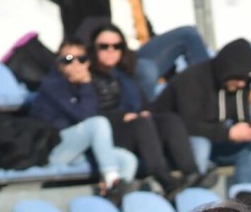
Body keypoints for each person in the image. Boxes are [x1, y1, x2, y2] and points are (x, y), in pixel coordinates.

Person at [34, 0, 210, 98]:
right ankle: (143, 119)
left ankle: (210, 95)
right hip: (105, 56)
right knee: (145, 69)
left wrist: (166, 56)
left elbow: (143, 26)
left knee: (188, 33)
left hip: (137, 51)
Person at [86, 22, 203, 196]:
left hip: (137, 127)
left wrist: (146, 112)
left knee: (168, 119)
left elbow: (143, 105)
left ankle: (192, 173)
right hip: (111, 133)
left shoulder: (126, 76)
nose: (111, 50)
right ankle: (163, 178)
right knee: (142, 123)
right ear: (94, 49)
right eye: (104, 46)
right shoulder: (86, 75)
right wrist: (123, 117)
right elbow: (87, 114)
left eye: (116, 46)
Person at [26, 37, 137, 201]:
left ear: (88, 63)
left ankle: (115, 198)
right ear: (59, 63)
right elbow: (84, 116)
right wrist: (86, 83)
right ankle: (112, 179)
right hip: (53, 149)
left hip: (78, 150)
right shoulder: (53, 86)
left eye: (82, 59)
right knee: (98, 124)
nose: (76, 64)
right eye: (68, 59)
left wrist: (85, 85)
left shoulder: (86, 86)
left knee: (128, 159)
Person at [151, 40, 251, 190]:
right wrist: (229, 133)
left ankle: (244, 202)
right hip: (171, 144)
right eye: (238, 78)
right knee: (200, 144)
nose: (242, 84)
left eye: (246, 80)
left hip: (214, 138)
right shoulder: (191, 79)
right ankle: (196, 200)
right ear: (227, 70)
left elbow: (241, 117)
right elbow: (187, 125)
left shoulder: (240, 85)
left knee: (248, 148)